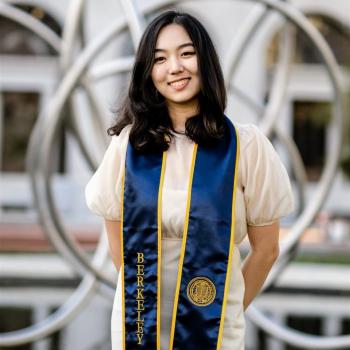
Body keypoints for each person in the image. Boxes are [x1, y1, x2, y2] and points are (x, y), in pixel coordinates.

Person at [85, 10, 294, 350]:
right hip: (138, 324)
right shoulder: (129, 147)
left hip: (214, 327)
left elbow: (266, 250)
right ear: (148, 73)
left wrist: (224, 311)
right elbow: (119, 250)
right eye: (160, 59)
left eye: (186, 53)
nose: (175, 68)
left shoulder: (247, 146)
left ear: (205, 60)